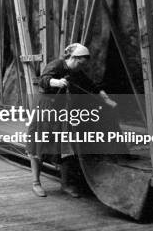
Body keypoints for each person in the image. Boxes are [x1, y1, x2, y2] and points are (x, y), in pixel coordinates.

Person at [27, 43, 117, 198]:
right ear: (73, 58)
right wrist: (57, 82)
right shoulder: (56, 64)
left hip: (62, 110)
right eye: (80, 63)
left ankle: (66, 184)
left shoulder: (77, 71)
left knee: (65, 147)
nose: (81, 67)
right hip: (46, 106)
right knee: (38, 145)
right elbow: (43, 80)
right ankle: (36, 183)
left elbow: (92, 86)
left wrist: (106, 99)